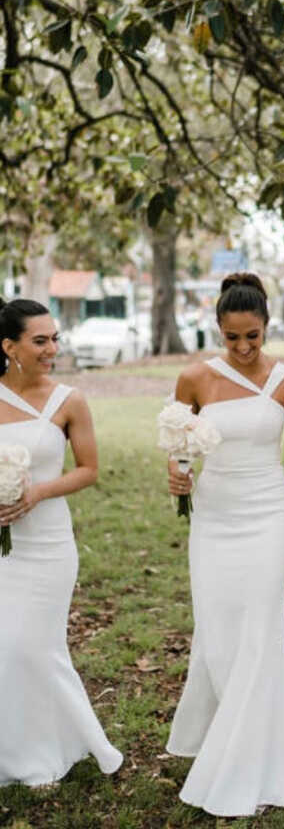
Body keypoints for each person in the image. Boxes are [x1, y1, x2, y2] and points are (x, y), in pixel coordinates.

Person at [166, 272, 284, 817]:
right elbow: (178, 449)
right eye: (232, 337)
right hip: (214, 517)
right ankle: (223, 735)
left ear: (267, 325)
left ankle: (249, 761)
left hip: (269, 515)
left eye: (252, 336)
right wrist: (177, 475)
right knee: (217, 632)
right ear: (218, 329)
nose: (244, 347)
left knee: (258, 632)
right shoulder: (194, 379)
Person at [0, 298, 123, 786]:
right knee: (9, 648)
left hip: (49, 545)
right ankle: (20, 749)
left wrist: (36, 493)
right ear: (9, 347)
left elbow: (89, 470)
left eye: (55, 339)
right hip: (5, 547)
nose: (52, 349)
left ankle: (55, 750)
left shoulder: (69, 400)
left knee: (33, 647)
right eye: (40, 341)